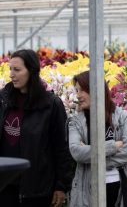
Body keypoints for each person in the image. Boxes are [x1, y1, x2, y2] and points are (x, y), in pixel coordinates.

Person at [0, 49, 73, 207]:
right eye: (10, 69)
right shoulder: (3, 100)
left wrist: (61, 185)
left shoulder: (51, 105)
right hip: (5, 185)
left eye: (17, 70)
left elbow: (61, 147)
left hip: (38, 188)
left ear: (32, 71)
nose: (11, 74)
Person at [69, 70, 127, 207]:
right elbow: (76, 152)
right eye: (76, 91)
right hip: (87, 189)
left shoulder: (121, 116)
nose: (78, 96)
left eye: (81, 90)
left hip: (121, 189)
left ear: (95, 90)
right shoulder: (76, 121)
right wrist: (112, 147)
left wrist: (91, 158)